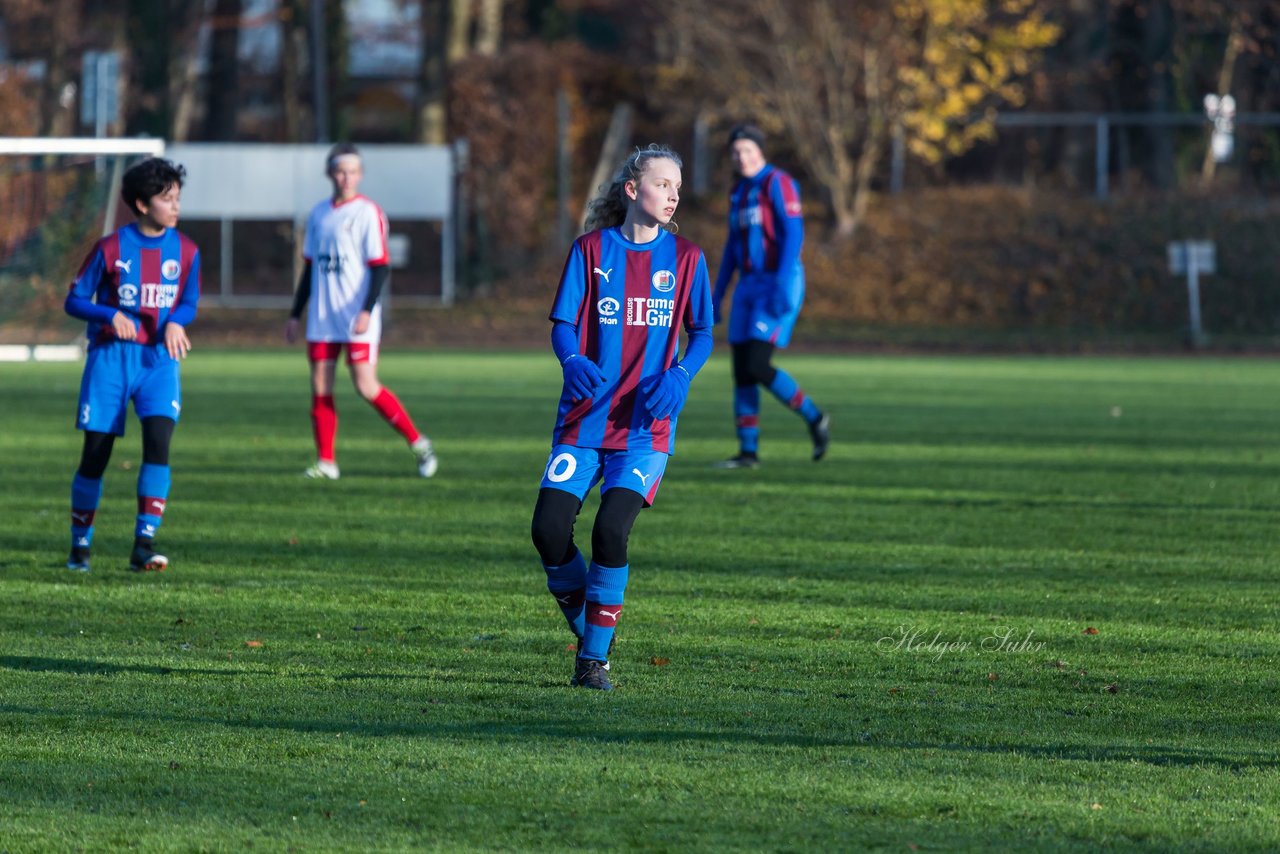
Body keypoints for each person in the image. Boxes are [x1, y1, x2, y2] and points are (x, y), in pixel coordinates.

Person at [530, 144, 714, 690]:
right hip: (584, 422)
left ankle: (593, 662)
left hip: (643, 429)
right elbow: (563, 323)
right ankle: (595, 634)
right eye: (663, 184)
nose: (674, 194)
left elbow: (702, 333)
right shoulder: (590, 250)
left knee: (612, 529)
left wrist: (680, 376)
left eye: (677, 186)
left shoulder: (686, 259)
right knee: (547, 530)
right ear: (633, 191)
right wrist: (572, 361)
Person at [64, 157, 200, 573]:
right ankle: (80, 547)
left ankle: (144, 543)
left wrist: (177, 321)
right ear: (142, 205)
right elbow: (74, 300)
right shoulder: (111, 248)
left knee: (158, 444)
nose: (175, 206)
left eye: (178, 198)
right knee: (96, 454)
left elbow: (190, 300)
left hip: (158, 361)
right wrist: (110, 316)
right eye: (167, 198)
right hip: (110, 361)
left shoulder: (188, 250)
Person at [285, 143, 437, 480]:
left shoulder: (368, 212)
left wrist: (367, 310)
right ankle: (326, 462)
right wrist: (296, 314)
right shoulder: (319, 214)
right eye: (340, 170)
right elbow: (310, 269)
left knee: (366, 386)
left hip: (356, 316)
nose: (346, 177)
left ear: (360, 175)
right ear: (330, 174)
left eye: (353, 171)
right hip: (323, 318)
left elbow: (380, 267)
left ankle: (419, 443)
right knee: (320, 386)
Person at [712, 123, 829, 468]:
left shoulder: (778, 182)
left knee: (757, 364)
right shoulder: (738, 192)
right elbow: (733, 247)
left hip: (777, 280)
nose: (742, 156)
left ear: (760, 151)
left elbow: (794, 234)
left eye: (748, 149)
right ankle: (748, 453)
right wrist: (718, 295)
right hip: (748, 285)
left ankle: (815, 417)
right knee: (741, 369)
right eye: (736, 152)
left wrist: (780, 283)